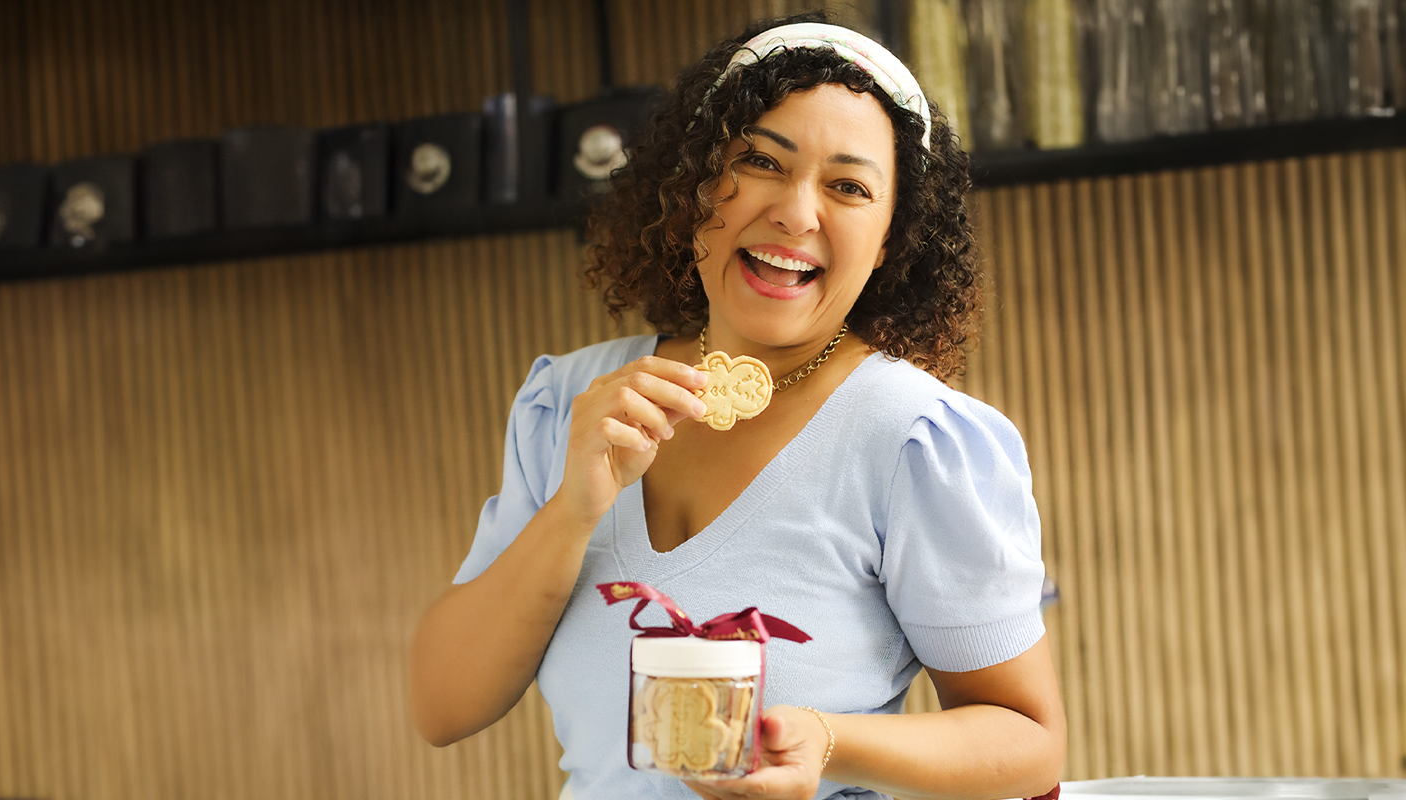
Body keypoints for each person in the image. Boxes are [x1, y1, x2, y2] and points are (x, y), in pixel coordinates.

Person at [408, 13, 1066, 800]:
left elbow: (1028, 742)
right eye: (760, 161)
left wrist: (826, 742)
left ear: (891, 238)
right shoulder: (569, 407)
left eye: (849, 187)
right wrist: (574, 511)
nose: (796, 213)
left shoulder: (913, 439)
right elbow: (441, 707)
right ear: (692, 188)